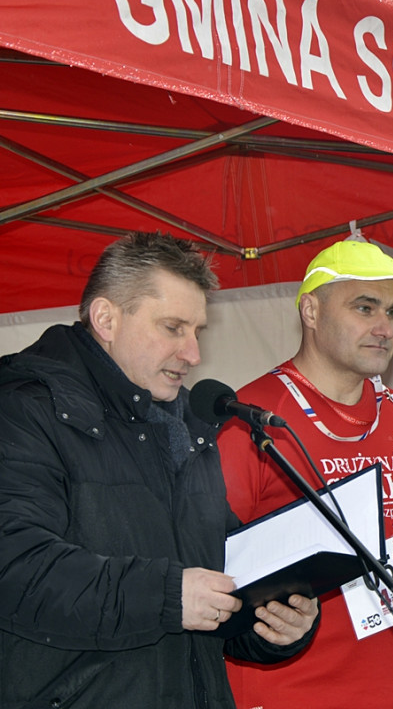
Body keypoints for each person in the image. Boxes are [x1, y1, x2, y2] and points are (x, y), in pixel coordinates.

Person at [0, 231, 319, 709]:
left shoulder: (186, 423)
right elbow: (16, 568)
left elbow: (215, 583)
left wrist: (272, 623)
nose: (192, 354)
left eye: (197, 333)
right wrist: (169, 595)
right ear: (106, 318)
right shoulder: (25, 410)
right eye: (173, 328)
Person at [218, 239, 393, 709]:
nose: (383, 327)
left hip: (392, 689)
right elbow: (211, 569)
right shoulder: (252, 419)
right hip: (286, 692)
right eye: (364, 307)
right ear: (311, 312)